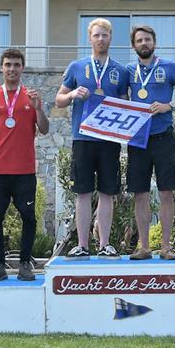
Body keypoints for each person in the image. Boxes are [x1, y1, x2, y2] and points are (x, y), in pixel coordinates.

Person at [55, 18, 129, 259]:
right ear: (89, 38)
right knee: (83, 192)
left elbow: (125, 102)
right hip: (83, 138)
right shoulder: (76, 67)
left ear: (110, 39)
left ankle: (105, 244)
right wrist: (73, 94)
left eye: (104, 35)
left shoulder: (120, 70)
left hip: (108, 139)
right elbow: (59, 99)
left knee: (108, 192)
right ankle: (83, 245)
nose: (100, 39)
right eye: (96, 35)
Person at [126, 25, 175, 260]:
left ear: (154, 43)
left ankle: (165, 246)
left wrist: (169, 106)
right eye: (139, 40)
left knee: (167, 193)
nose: (144, 43)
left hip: (164, 136)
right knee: (140, 193)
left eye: (147, 39)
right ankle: (144, 246)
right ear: (133, 45)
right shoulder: (128, 71)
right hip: (137, 139)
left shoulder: (169, 67)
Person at [0, 49, 49, 281]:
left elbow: (45, 129)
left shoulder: (30, 96)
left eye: (16, 65)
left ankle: (24, 265)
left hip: (24, 171)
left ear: (22, 68)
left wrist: (38, 107)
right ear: (1, 67)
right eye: (8, 64)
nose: (12, 69)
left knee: (28, 217)